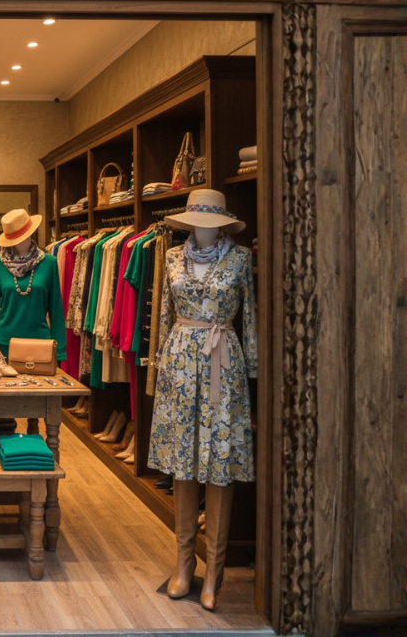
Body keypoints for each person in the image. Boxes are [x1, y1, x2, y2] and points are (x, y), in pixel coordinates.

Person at [149, 189, 256, 612]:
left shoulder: (240, 259)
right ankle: (183, 562)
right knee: (183, 460)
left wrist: (253, 367)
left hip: (221, 364)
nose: (202, 227)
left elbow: (250, 317)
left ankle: (214, 569)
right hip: (178, 363)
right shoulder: (172, 257)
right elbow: (163, 313)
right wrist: (158, 365)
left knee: (219, 463)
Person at [0, 209, 67, 361]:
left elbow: (56, 309)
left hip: (40, 343)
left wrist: (59, 349)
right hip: (4, 345)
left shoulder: (49, 263)